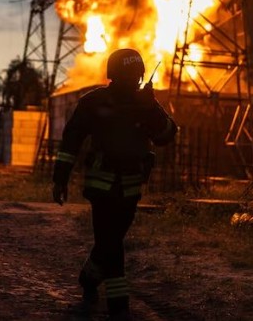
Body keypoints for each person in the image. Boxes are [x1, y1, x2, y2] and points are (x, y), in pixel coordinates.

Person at [52, 48, 178, 320]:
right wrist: (59, 179)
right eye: (128, 76)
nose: (132, 81)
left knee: (109, 242)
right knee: (112, 244)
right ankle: (119, 306)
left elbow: (167, 135)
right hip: (102, 188)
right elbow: (71, 142)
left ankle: (88, 278)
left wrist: (152, 109)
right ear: (115, 76)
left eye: (135, 76)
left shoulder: (145, 103)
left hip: (130, 189)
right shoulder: (93, 102)